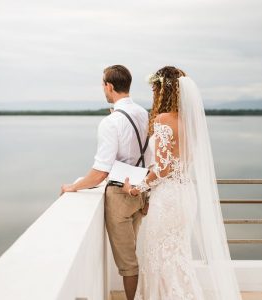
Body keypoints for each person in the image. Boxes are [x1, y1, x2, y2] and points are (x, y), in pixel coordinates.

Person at [122, 66, 242, 299]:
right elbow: (177, 163)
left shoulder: (164, 119)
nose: (153, 94)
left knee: (158, 254)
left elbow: (164, 168)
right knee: (176, 254)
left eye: (154, 89)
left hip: (168, 198)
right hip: (185, 194)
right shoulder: (191, 122)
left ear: (163, 90)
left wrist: (137, 188)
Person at [60, 65, 151, 300]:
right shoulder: (143, 113)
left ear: (109, 86)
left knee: (127, 262)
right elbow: (148, 156)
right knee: (131, 254)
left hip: (120, 195)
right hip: (139, 192)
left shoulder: (110, 123)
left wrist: (73, 187)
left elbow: (100, 172)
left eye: (103, 84)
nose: (103, 88)